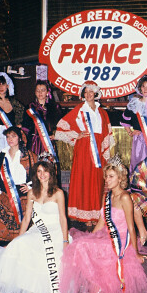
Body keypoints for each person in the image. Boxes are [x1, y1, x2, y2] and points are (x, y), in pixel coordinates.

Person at [59, 156, 147, 293]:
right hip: (106, 233)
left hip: (122, 238)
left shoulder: (125, 197)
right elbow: (101, 222)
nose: (107, 180)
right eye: (106, 177)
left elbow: (131, 227)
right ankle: (97, 284)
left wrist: (136, 252)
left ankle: (97, 287)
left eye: (110, 177)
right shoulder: (107, 196)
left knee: (99, 249)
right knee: (81, 244)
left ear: (120, 178)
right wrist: (90, 236)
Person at [0, 158, 69, 293]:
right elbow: (27, 218)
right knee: (20, 243)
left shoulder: (58, 193)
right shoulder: (32, 192)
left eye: (45, 171)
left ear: (51, 173)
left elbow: (63, 219)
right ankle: (26, 287)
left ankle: (49, 289)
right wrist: (17, 238)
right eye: (39, 171)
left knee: (48, 250)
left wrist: (65, 241)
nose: (42, 174)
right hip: (38, 229)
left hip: (55, 230)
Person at [54, 80, 115, 225]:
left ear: (96, 93)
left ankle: (96, 214)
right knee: (84, 180)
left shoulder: (102, 112)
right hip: (83, 148)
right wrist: (76, 135)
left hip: (98, 150)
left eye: (91, 92)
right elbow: (62, 125)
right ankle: (86, 216)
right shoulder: (79, 109)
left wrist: (104, 149)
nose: (88, 94)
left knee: (97, 180)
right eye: (85, 92)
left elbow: (107, 132)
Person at [0, 126, 37, 243]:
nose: (10, 139)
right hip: (5, 191)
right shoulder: (2, 155)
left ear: (20, 138)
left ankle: (22, 239)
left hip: (23, 193)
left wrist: (30, 187)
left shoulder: (29, 155)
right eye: (8, 137)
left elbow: (38, 175)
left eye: (13, 136)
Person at [21, 80, 63, 157]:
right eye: (38, 90)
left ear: (47, 92)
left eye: (43, 90)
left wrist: (56, 135)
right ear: (35, 92)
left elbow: (61, 125)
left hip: (48, 143)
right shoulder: (29, 107)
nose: (40, 93)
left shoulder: (55, 107)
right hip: (34, 143)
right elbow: (25, 127)